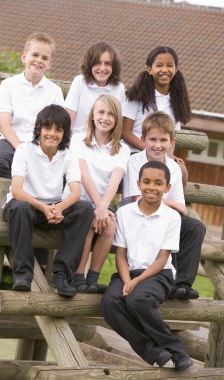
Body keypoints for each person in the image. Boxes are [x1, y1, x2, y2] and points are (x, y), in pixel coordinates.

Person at [102, 161, 193, 371]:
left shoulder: (172, 217)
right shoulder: (124, 213)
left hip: (158, 274)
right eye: (146, 182)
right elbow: (121, 255)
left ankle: (177, 350)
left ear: (167, 188)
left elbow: (162, 259)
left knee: (138, 300)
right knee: (110, 302)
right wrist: (127, 280)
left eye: (158, 183)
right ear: (138, 184)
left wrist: (137, 282)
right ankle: (153, 351)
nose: (151, 187)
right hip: (127, 272)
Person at [3, 105, 93, 297]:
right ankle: (22, 274)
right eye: (47, 128)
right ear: (39, 129)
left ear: (65, 133)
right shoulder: (24, 149)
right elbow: (17, 191)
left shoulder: (69, 154)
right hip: (25, 206)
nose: (52, 134)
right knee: (19, 207)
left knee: (85, 209)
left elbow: (76, 192)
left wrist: (58, 208)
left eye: (58, 129)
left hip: (52, 208)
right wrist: (44, 207)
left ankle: (62, 274)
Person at [123, 111, 206, 299]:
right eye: (152, 139)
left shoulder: (174, 168)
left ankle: (181, 284)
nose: (158, 145)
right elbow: (138, 200)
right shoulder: (135, 162)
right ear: (143, 139)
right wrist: (168, 204)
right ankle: (166, 280)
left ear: (171, 142)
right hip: (139, 218)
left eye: (163, 140)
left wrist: (164, 205)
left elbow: (182, 208)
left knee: (194, 227)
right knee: (169, 220)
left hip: (164, 217)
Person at [64, 94, 130, 293]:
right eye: (101, 112)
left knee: (110, 225)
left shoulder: (122, 150)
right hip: (77, 200)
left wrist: (103, 207)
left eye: (111, 114)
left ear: (117, 119)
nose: (105, 117)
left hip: (103, 202)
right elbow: (83, 174)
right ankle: (78, 277)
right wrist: (98, 207)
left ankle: (92, 279)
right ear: (92, 115)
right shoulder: (77, 140)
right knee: (89, 221)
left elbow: (115, 181)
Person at [0, 32, 64, 180]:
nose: (39, 60)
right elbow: (5, 125)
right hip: (11, 141)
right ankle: (11, 200)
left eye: (45, 58)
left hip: (42, 144)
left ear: (49, 64)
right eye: (35, 55)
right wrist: (22, 149)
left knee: (55, 169)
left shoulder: (55, 92)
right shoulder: (8, 85)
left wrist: (40, 151)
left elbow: (56, 127)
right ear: (24, 57)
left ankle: (31, 200)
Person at [122, 46, 191, 187]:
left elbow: (172, 136)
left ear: (176, 69)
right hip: (134, 151)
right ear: (150, 69)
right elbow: (125, 132)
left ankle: (174, 208)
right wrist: (149, 149)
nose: (164, 70)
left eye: (169, 65)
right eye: (159, 65)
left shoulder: (177, 100)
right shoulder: (138, 96)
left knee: (181, 170)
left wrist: (169, 156)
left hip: (160, 153)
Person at [65, 41, 125, 134]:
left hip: (104, 143)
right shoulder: (79, 81)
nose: (102, 68)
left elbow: (118, 124)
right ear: (90, 64)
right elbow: (68, 120)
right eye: (97, 63)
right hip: (77, 140)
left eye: (107, 63)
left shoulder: (119, 88)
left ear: (114, 67)